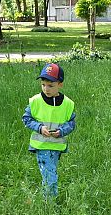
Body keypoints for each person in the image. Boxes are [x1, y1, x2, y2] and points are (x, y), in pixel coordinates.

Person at [22, 63, 76, 198]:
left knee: (50, 173)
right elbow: (26, 119)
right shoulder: (35, 101)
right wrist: (39, 128)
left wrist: (62, 131)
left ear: (60, 85)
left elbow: (71, 123)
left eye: (50, 85)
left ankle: (46, 199)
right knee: (50, 176)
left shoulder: (68, 104)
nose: (46, 89)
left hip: (57, 147)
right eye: (43, 85)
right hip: (41, 146)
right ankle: (50, 204)